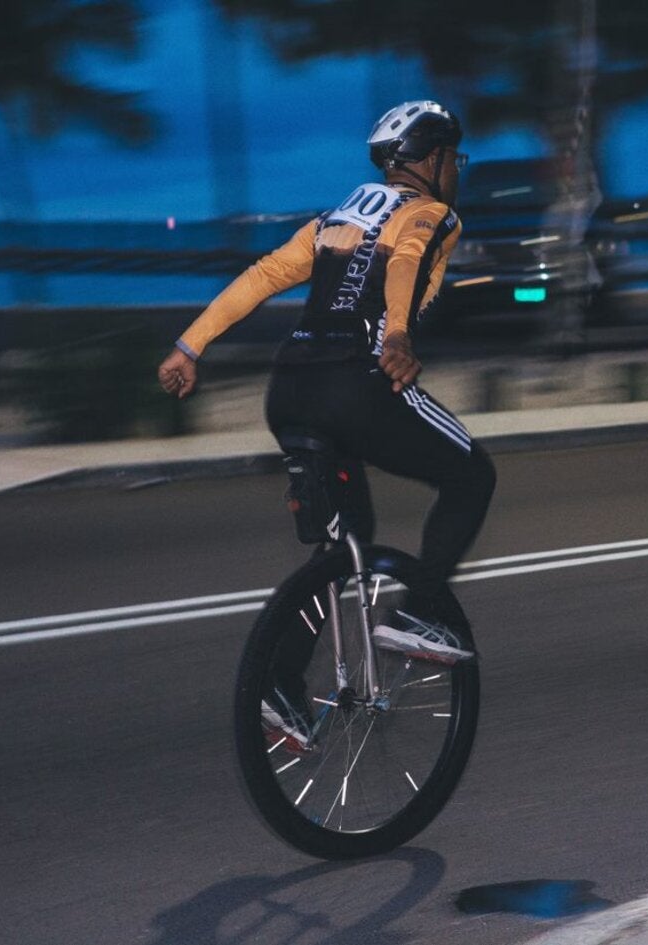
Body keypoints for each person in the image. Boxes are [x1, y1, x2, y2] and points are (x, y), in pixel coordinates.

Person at [158, 101, 496, 747]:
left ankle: (281, 687)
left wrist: (189, 346)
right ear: (431, 160)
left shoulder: (334, 220)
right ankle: (421, 615)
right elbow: (406, 258)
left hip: (288, 391)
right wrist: (396, 333)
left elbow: (262, 277)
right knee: (473, 477)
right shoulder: (430, 211)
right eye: (456, 158)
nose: (459, 170)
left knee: (346, 544)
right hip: (358, 385)